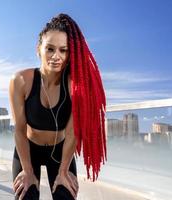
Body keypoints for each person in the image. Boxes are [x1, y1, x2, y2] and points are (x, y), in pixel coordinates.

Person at [9, 13, 106, 200]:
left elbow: (73, 133)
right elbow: (20, 130)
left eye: (63, 50)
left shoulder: (74, 86)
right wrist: (28, 171)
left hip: (61, 153)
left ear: (71, 54)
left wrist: (63, 172)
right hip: (29, 149)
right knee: (25, 196)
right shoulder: (20, 80)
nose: (56, 56)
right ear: (39, 49)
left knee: (65, 196)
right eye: (50, 49)